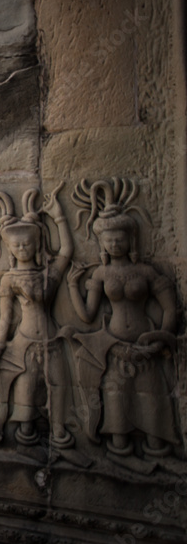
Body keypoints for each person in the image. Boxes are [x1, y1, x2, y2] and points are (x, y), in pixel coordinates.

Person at [67, 178, 178, 459]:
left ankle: (156, 453)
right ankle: (118, 455)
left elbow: (170, 309)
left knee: (152, 408)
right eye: (109, 240)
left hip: (145, 347)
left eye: (119, 238)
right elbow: (88, 315)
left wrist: (159, 338)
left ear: (131, 240)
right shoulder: (101, 275)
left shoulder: (146, 272)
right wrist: (71, 286)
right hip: (114, 349)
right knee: (116, 411)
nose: (114, 243)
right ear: (101, 244)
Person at [0, 186, 77, 450]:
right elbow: (5, 319)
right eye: (16, 245)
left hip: (52, 341)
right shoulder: (10, 279)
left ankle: (60, 432)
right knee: (25, 395)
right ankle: (25, 437)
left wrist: (59, 217)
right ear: (9, 249)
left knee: (59, 390)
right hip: (24, 344)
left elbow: (66, 252)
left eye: (27, 243)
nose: (22, 248)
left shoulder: (48, 274)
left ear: (37, 243)